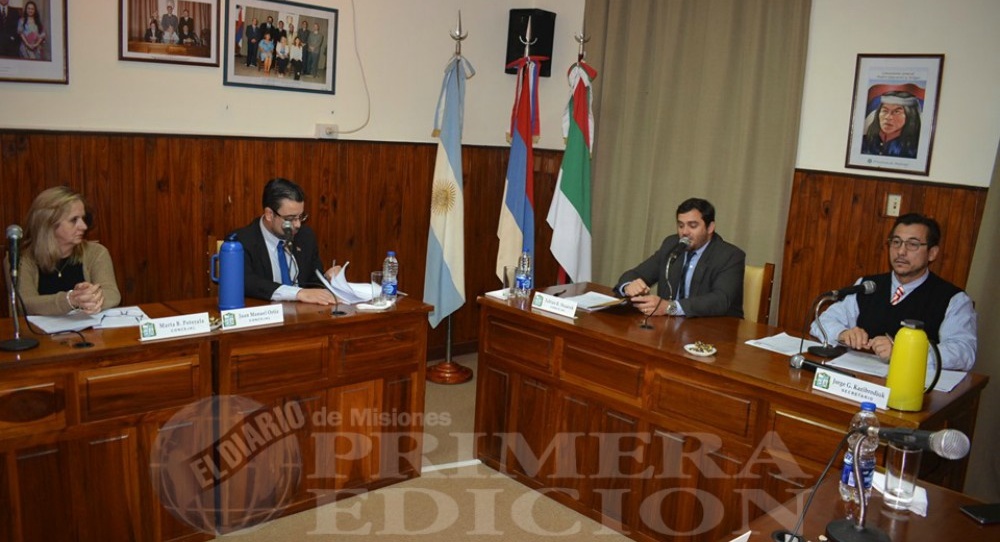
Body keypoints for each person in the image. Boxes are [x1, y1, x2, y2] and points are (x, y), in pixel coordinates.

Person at [810, 213, 977, 371]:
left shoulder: (953, 299)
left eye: (912, 244)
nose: (901, 252)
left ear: (932, 253)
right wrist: (842, 333)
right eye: (896, 242)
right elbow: (821, 321)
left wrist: (903, 352)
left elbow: (964, 352)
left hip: (913, 384)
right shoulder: (868, 285)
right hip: (860, 379)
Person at [615, 197, 745, 318]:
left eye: (692, 226)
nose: (685, 232)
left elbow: (720, 300)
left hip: (714, 327)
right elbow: (636, 274)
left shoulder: (730, 255)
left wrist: (670, 307)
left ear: (710, 227)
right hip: (670, 324)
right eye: (681, 225)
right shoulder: (671, 245)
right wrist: (629, 286)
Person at [5, 187, 121, 316]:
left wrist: (91, 298)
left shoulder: (96, 252)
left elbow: (112, 294)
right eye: (74, 220)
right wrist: (70, 300)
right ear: (48, 223)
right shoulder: (18, 259)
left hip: (87, 328)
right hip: (36, 329)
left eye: (83, 218)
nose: (84, 226)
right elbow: (25, 304)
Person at [231, 178, 341, 305]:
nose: (298, 224)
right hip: (263, 313)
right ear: (269, 214)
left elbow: (313, 283)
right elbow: (246, 282)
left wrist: (327, 278)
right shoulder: (241, 241)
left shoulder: (305, 236)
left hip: (303, 314)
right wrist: (297, 293)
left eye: (300, 217)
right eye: (290, 218)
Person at [860, 91, 921, 159]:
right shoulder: (864, 142)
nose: (888, 117)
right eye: (885, 111)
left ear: (910, 116)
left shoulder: (916, 149)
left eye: (896, 112)